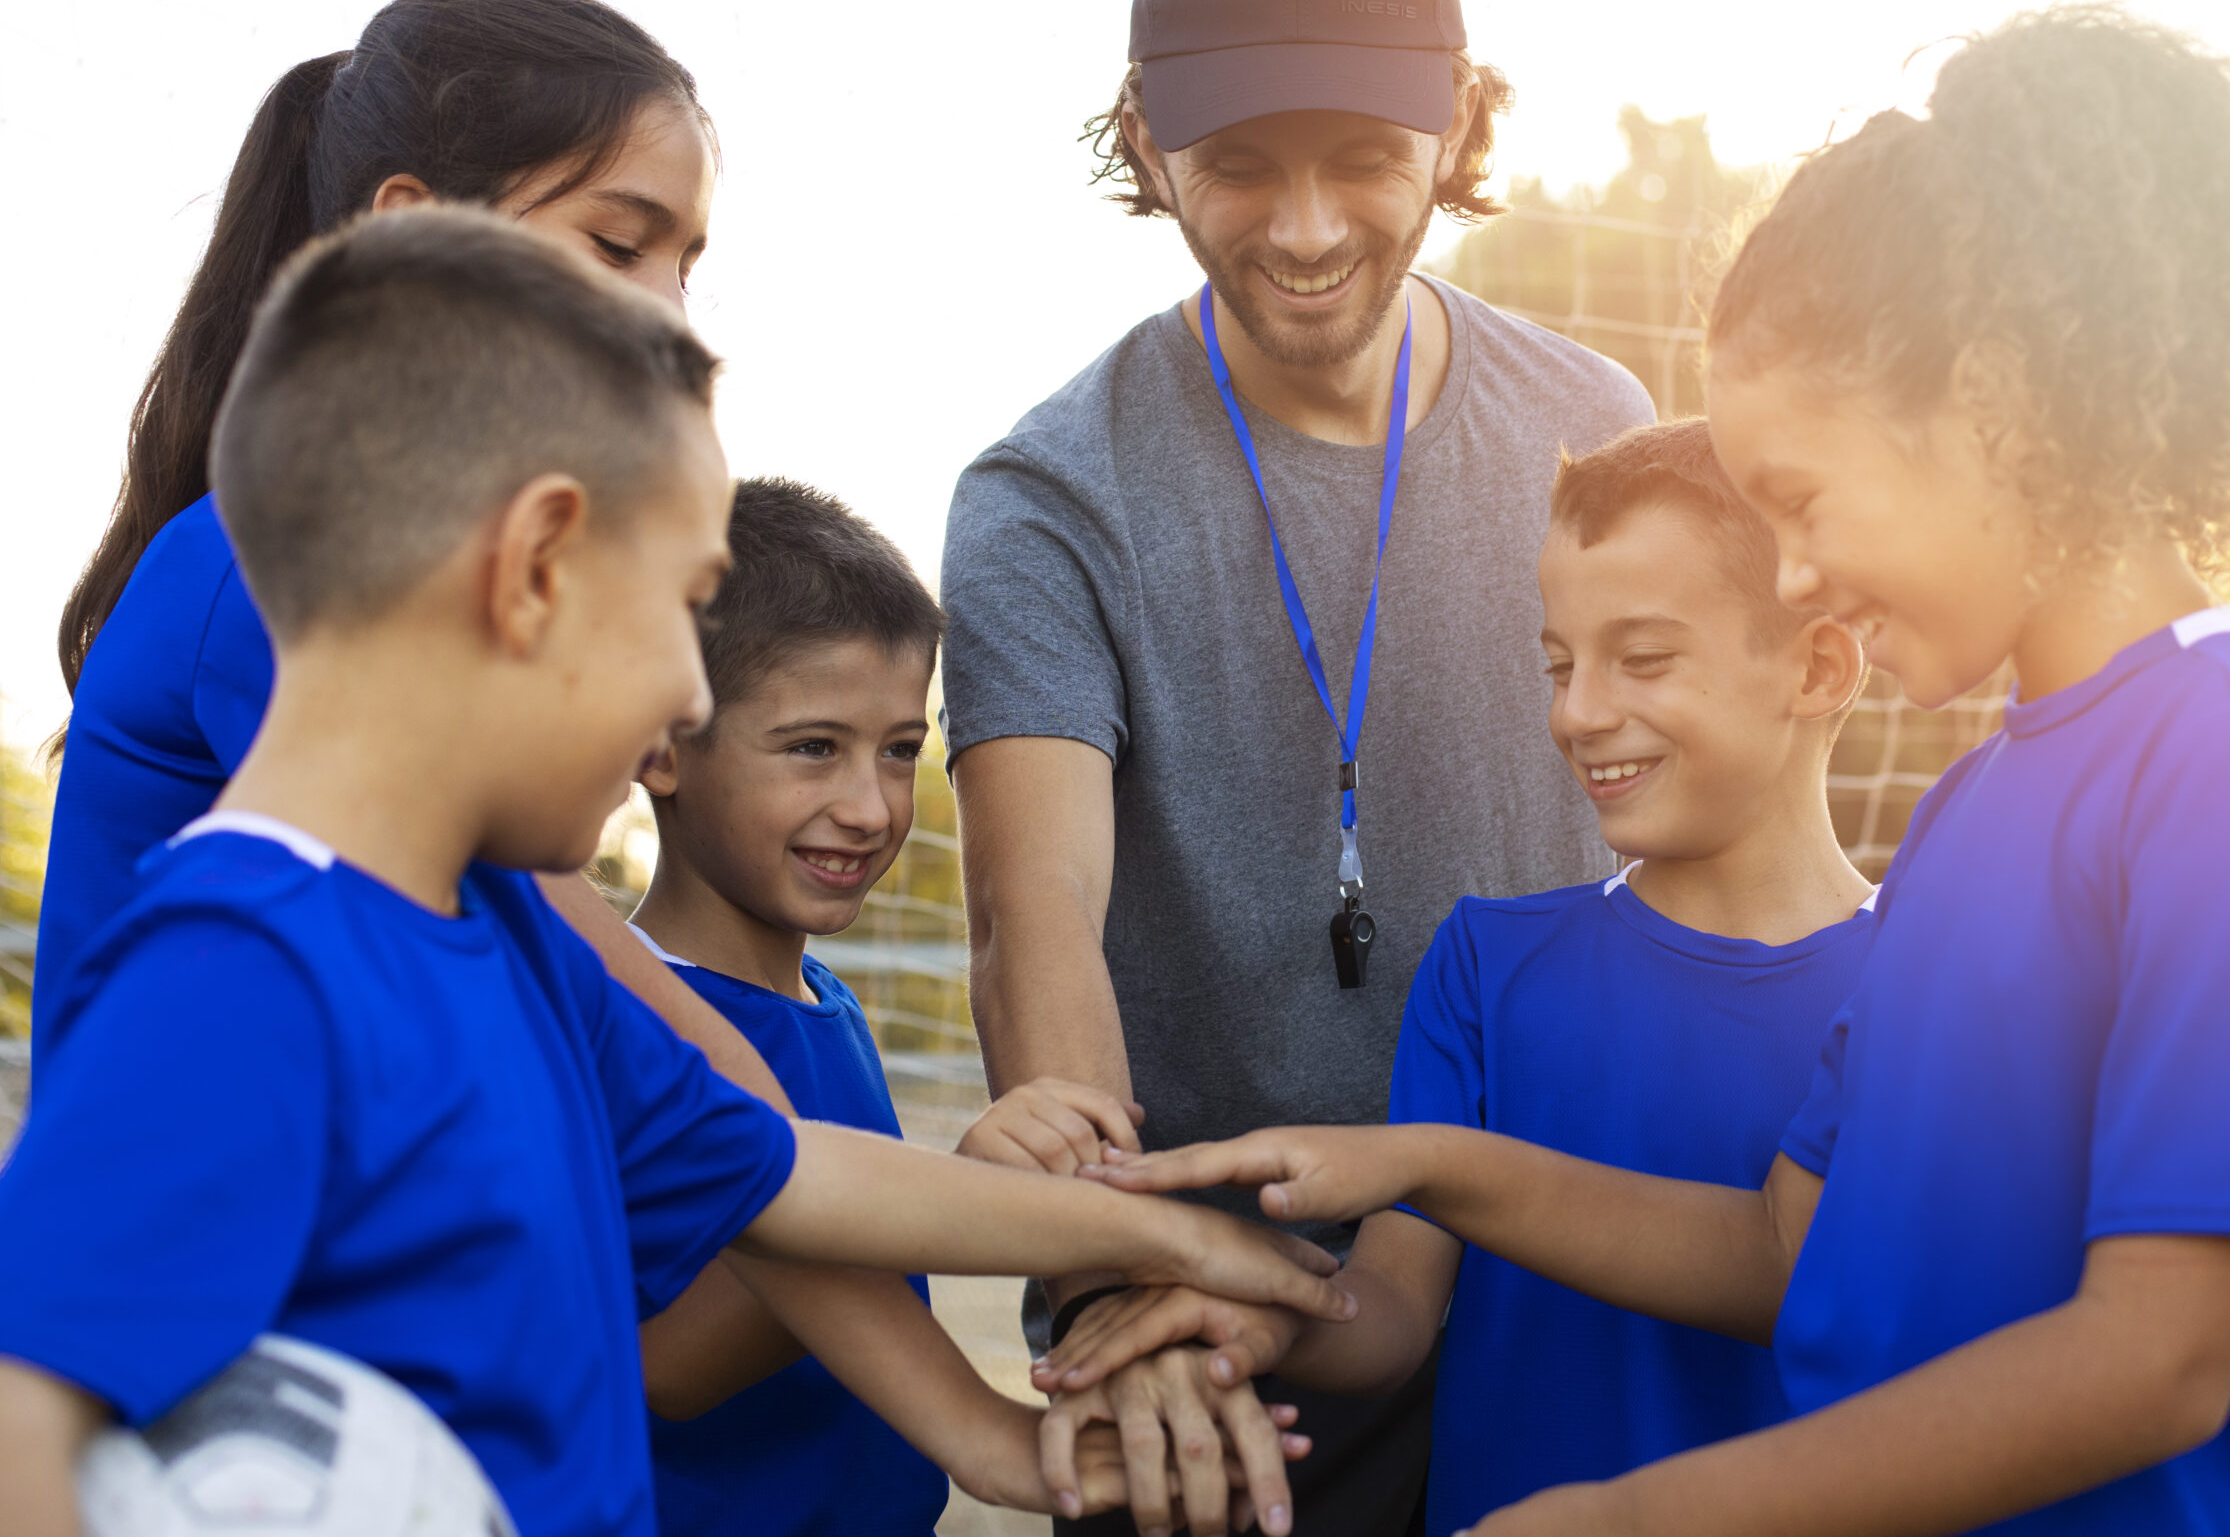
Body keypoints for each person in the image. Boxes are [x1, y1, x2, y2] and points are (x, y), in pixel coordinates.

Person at [1077, 5, 2230, 1536]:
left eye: (1803, 499)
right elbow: (1786, 1249)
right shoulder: (1972, 809)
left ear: (1993, 405)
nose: (1794, 574)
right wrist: (1398, 1174)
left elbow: (2159, 1359)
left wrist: (1633, 1517)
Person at [0, 209, 1353, 1537]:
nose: (685, 698)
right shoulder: (236, 970)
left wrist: (1159, 1259)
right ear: (534, 570)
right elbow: (25, 1418)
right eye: (682, 607)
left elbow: (792, 1178)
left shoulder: (513, 942)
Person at [939, 0, 1652, 1533]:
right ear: (1145, 141)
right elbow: (1035, 914)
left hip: (1565, 1301)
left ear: (1457, 128)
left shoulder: (1595, 428)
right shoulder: (1045, 498)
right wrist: (1121, 1280)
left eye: (1366, 161)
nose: (1311, 228)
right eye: (1244, 165)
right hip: (1206, 1358)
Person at [1034, 421, 1874, 1537]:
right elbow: (1391, 1303)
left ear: (1817, 668)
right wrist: (1269, 1311)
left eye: (1643, 659)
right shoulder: (1487, 963)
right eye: (1560, 665)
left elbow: (1826, 1286)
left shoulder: (1927, 987)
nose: (1577, 712)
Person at [36, 0, 785, 1109]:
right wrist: (779, 1130)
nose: (672, 314)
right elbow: (628, 1026)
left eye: (686, 268)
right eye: (618, 246)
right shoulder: (271, 566)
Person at [633, 478, 1312, 1537]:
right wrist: (956, 1196)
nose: (871, 807)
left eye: (900, 750)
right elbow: (660, 1365)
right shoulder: (614, 1021)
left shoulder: (829, 1006)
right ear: (663, 746)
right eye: (813, 747)